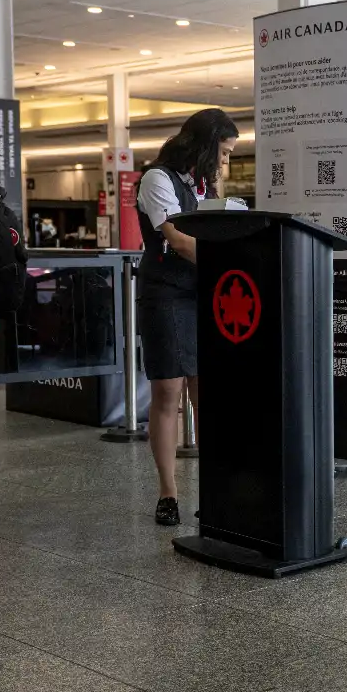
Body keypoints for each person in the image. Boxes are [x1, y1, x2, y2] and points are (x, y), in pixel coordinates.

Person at [136, 108, 238, 526]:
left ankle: (215, 489)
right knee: (168, 392)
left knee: (206, 392)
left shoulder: (201, 184)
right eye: (225, 152)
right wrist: (228, 263)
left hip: (200, 293)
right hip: (165, 293)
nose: (227, 162)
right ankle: (168, 493)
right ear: (207, 144)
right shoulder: (157, 179)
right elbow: (177, 240)